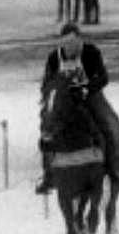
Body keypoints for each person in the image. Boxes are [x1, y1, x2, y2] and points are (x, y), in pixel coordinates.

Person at [36, 24, 111, 194]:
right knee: (47, 128)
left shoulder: (91, 53)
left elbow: (104, 77)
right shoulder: (54, 58)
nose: (68, 48)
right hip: (63, 102)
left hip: (89, 96)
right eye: (65, 43)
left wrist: (86, 89)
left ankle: (110, 164)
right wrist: (51, 96)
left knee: (107, 124)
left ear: (80, 40)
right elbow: (46, 83)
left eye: (72, 43)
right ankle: (48, 174)